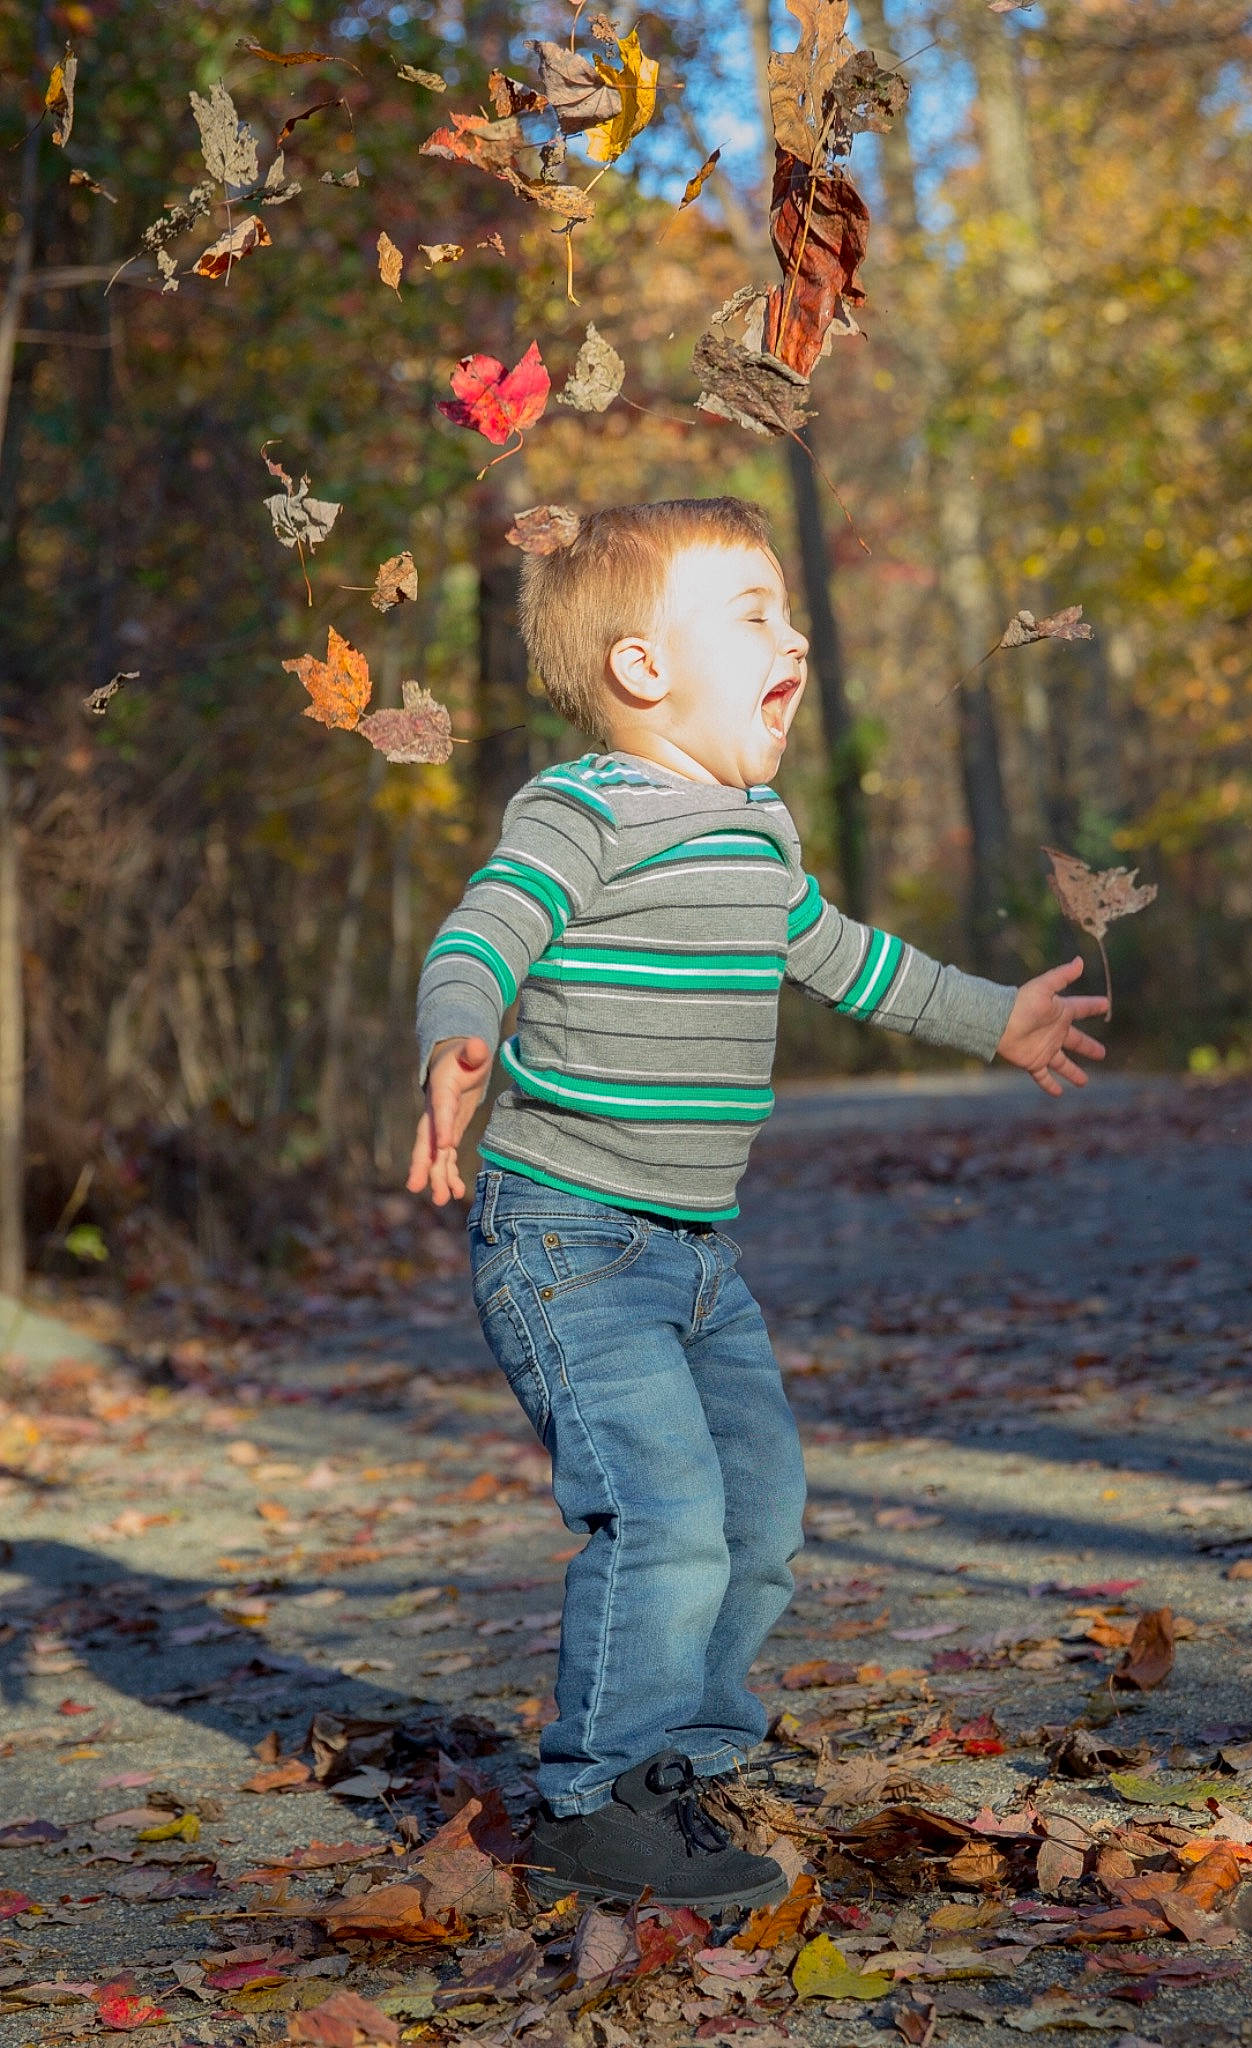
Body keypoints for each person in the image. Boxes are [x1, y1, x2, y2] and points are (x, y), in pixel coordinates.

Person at [407, 498, 1107, 1911]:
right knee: (662, 1510)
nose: (792, 637)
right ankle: (597, 1794)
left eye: (793, 615)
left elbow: (848, 960)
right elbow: (481, 926)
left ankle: (687, 1754)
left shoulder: (758, 830)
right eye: (753, 616)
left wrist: (993, 1023)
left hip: (694, 1253)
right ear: (643, 669)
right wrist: (458, 1033)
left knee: (760, 1506)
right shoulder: (582, 807)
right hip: (566, 1238)